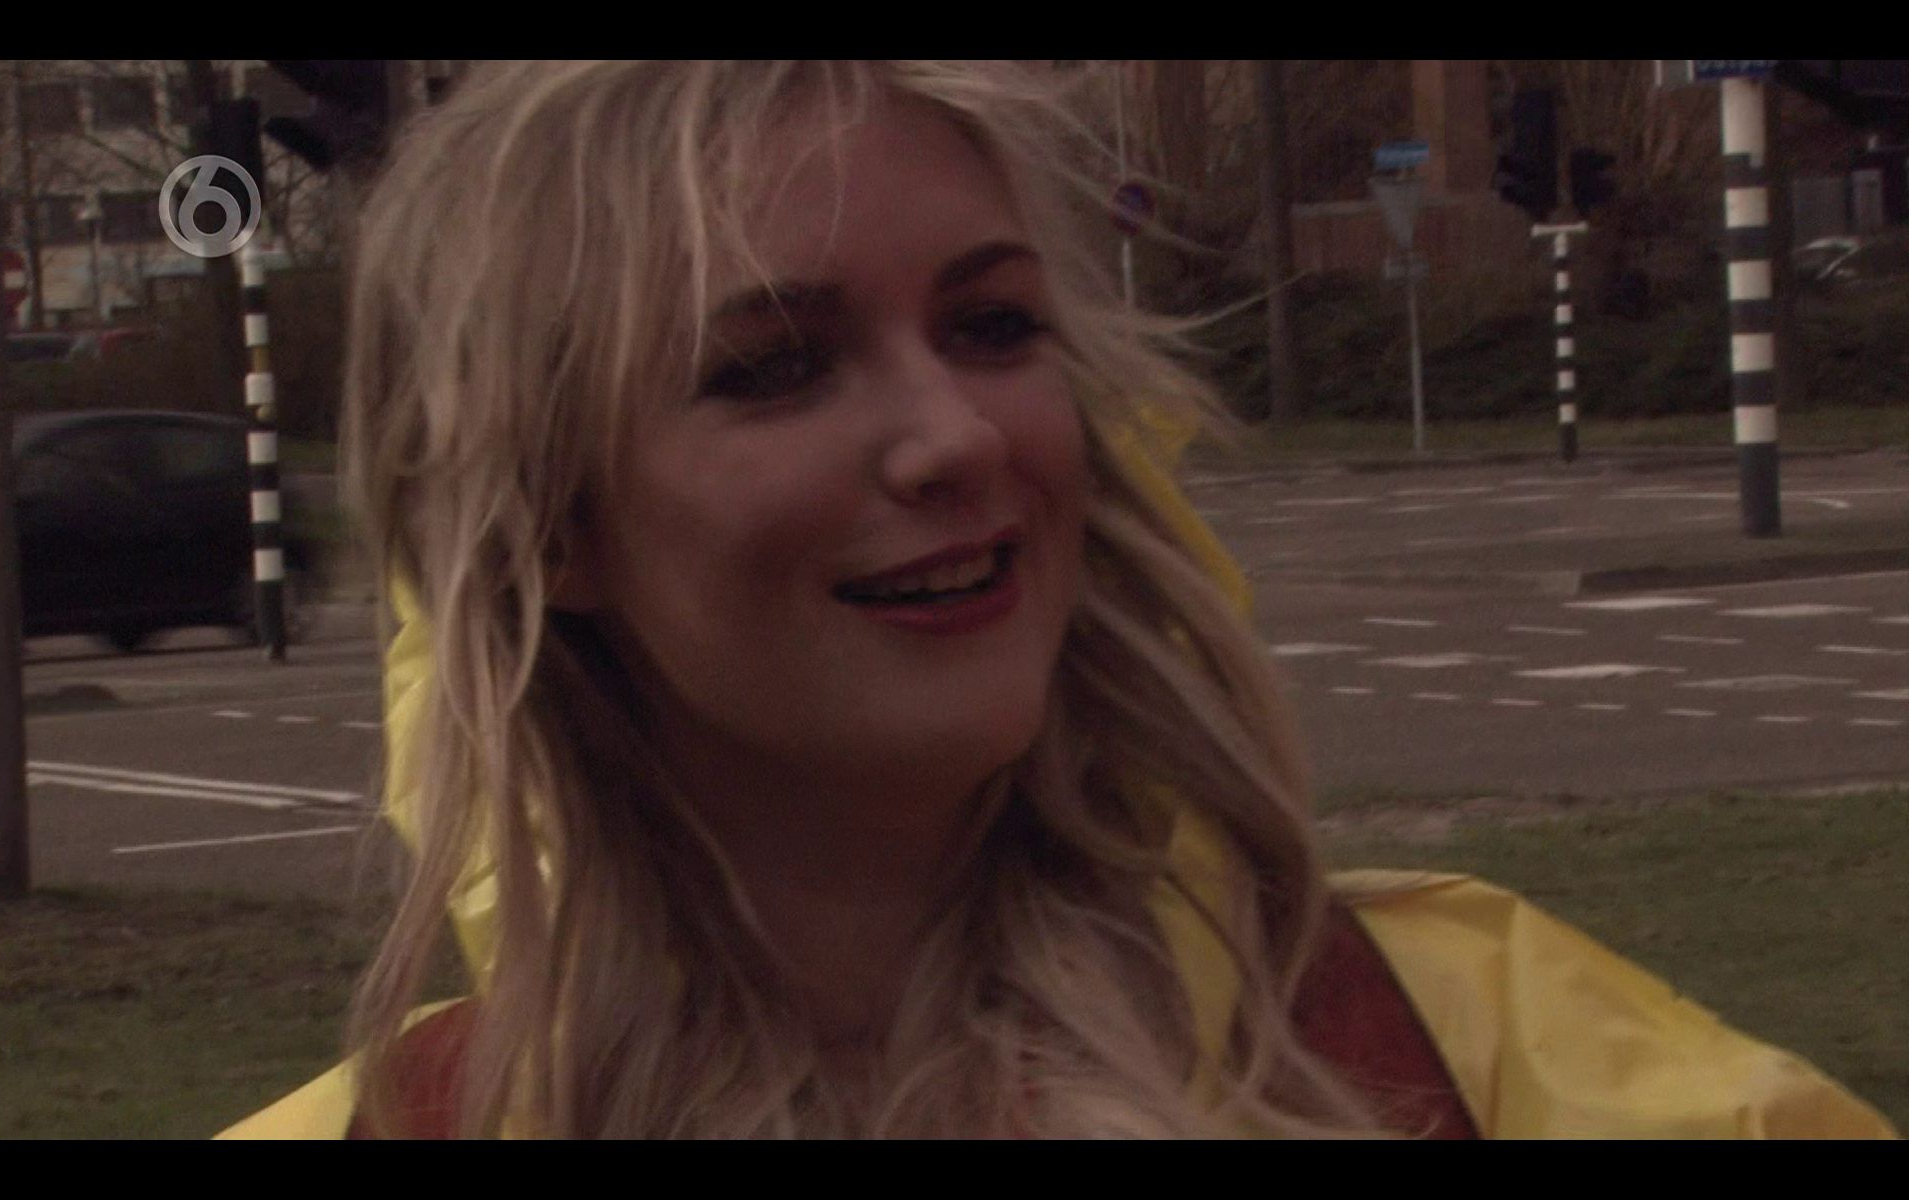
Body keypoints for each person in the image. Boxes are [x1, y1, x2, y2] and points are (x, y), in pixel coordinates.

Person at [223, 60, 1893, 1140]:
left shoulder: (1472, 1057)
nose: (956, 435)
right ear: (546, 527)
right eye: (776, 366)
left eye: (994, 326)